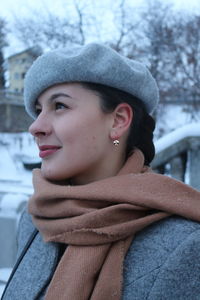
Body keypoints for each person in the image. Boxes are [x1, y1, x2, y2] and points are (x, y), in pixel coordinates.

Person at [2, 43, 200, 300]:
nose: (35, 127)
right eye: (39, 111)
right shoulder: (35, 221)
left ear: (118, 121)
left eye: (59, 106)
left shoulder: (184, 249)